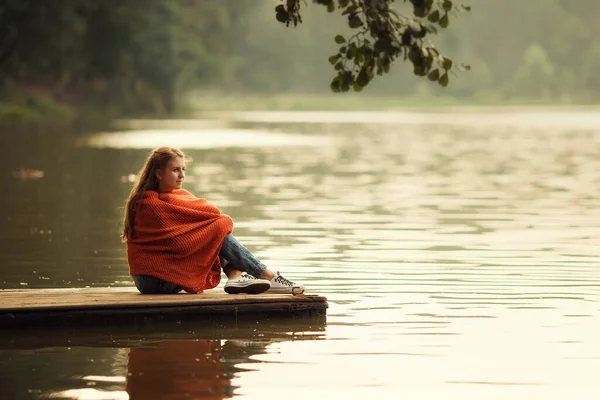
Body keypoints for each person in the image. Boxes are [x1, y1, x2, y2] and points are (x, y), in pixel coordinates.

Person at [121, 146, 305, 295]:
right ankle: (267, 276)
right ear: (159, 174)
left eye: (183, 169)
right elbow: (179, 242)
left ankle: (235, 277)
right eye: (175, 170)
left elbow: (212, 216)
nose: (182, 175)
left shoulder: (179, 197)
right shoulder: (149, 204)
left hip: (168, 272)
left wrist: (210, 230)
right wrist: (211, 230)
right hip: (152, 280)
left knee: (212, 231)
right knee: (214, 231)